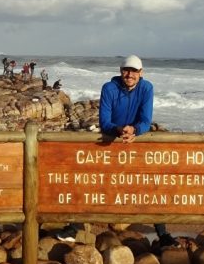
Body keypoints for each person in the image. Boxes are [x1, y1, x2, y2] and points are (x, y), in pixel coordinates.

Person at [56, 55, 176, 247]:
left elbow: (145, 120)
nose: (129, 75)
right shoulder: (109, 88)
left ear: (141, 73)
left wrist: (134, 130)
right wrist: (120, 130)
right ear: (120, 71)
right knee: (89, 181)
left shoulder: (147, 88)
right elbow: (105, 121)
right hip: (110, 141)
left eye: (134, 71)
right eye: (126, 70)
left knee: (150, 184)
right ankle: (73, 227)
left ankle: (162, 234)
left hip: (136, 142)